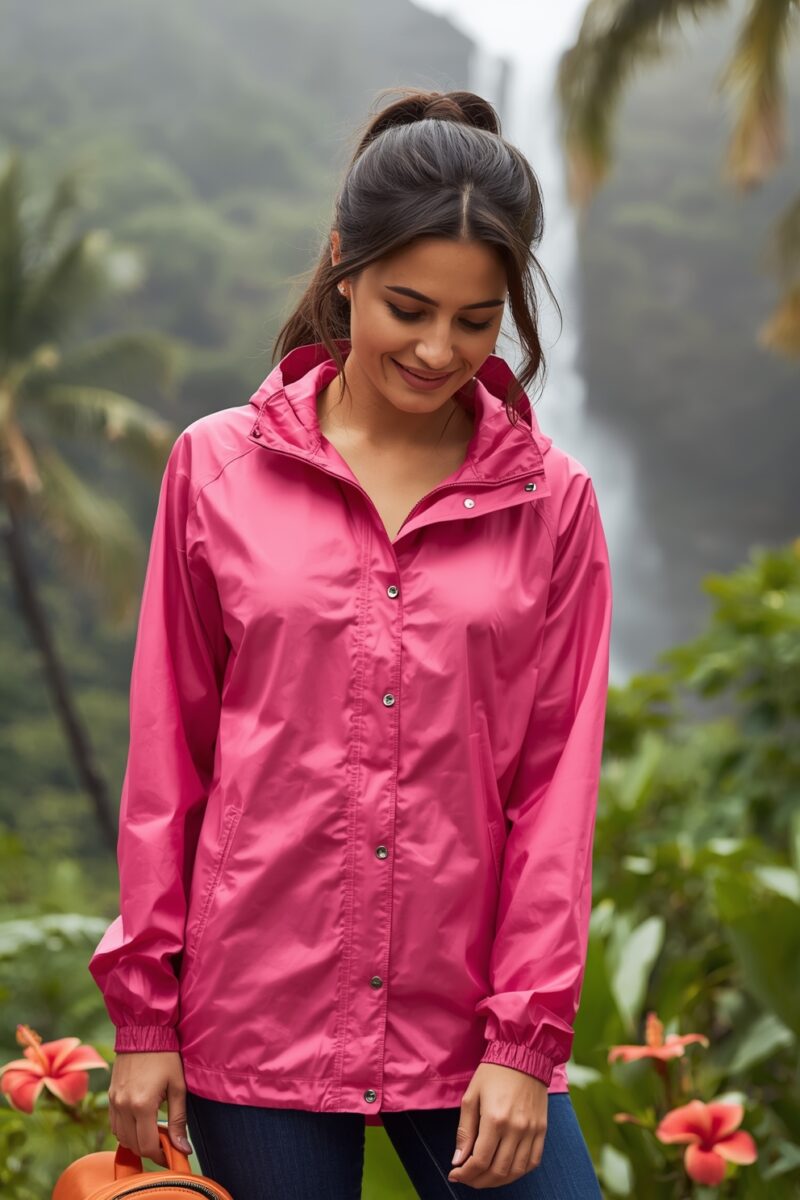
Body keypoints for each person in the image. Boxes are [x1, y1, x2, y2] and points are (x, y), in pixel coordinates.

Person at [88, 87, 613, 1198]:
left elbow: (554, 791)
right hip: (254, 1013)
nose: (436, 350)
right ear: (343, 264)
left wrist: (525, 1043)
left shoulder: (554, 503)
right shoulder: (215, 469)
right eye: (407, 307)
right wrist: (144, 1017)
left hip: (468, 1024)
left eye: (476, 321)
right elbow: (168, 764)